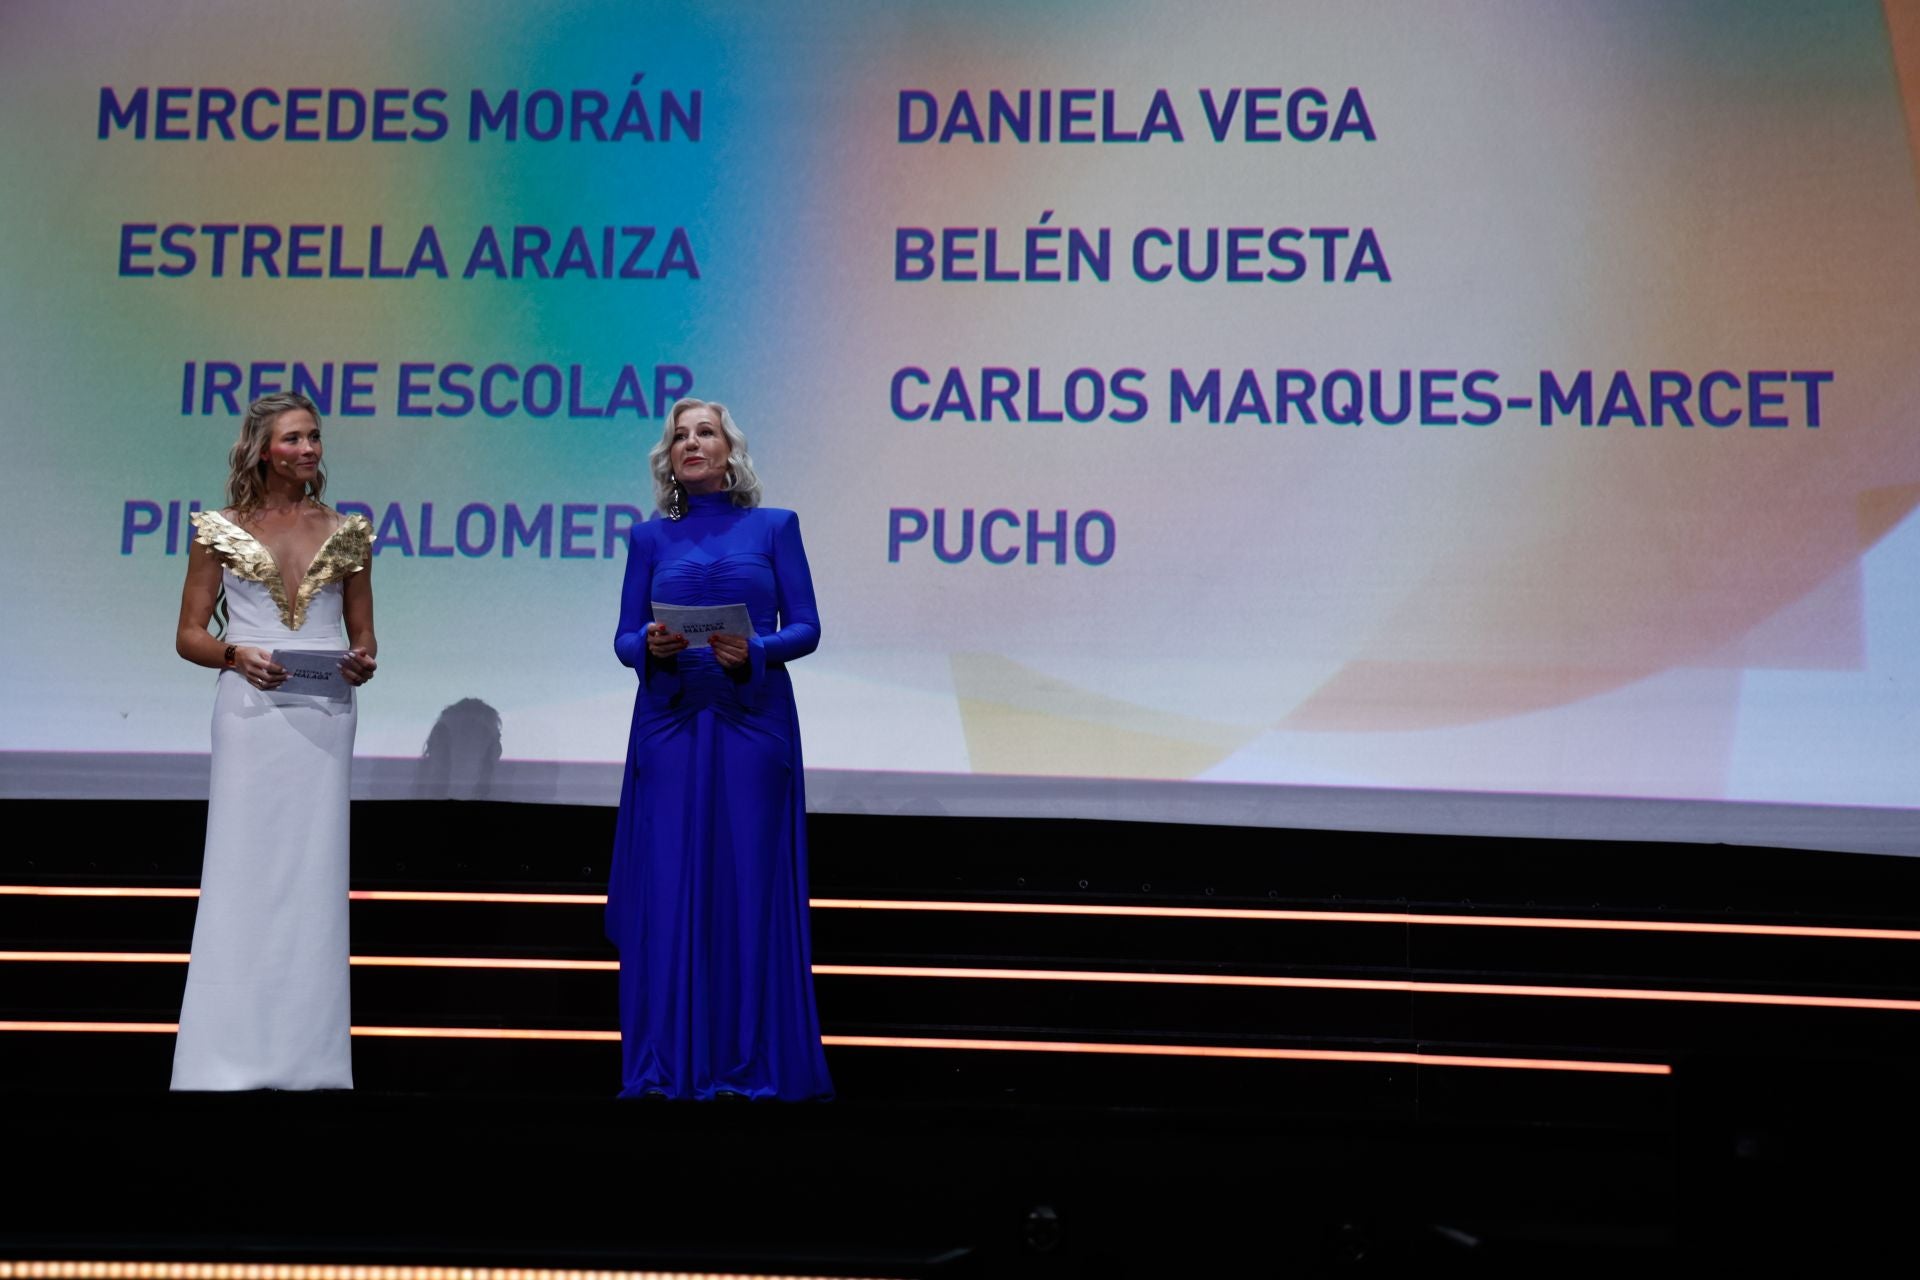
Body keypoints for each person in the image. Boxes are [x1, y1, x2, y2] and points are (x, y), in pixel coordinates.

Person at [608, 397, 833, 1100]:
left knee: (747, 884)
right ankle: (670, 1062)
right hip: (671, 719)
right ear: (669, 458)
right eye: (680, 436)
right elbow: (622, 638)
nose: (691, 443)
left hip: (750, 717)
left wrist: (756, 648)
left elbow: (808, 627)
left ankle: (749, 1062)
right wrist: (649, 644)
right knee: (671, 883)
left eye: (705, 432)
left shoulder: (775, 527)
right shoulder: (649, 540)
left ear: (730, 450)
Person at [170, 391, 377, 1090]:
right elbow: (189, 635)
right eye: (293, 438)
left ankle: (309, 1062)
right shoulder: (218, 530)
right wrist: (236, 655)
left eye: (314, 437)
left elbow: (364, 636)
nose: (308, 449)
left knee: (312, 880)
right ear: (263, 450)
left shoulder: (349, 531)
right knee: (241, 874)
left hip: (323, 713)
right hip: (250, 714)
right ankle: (221, 1060)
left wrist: (363, 661)